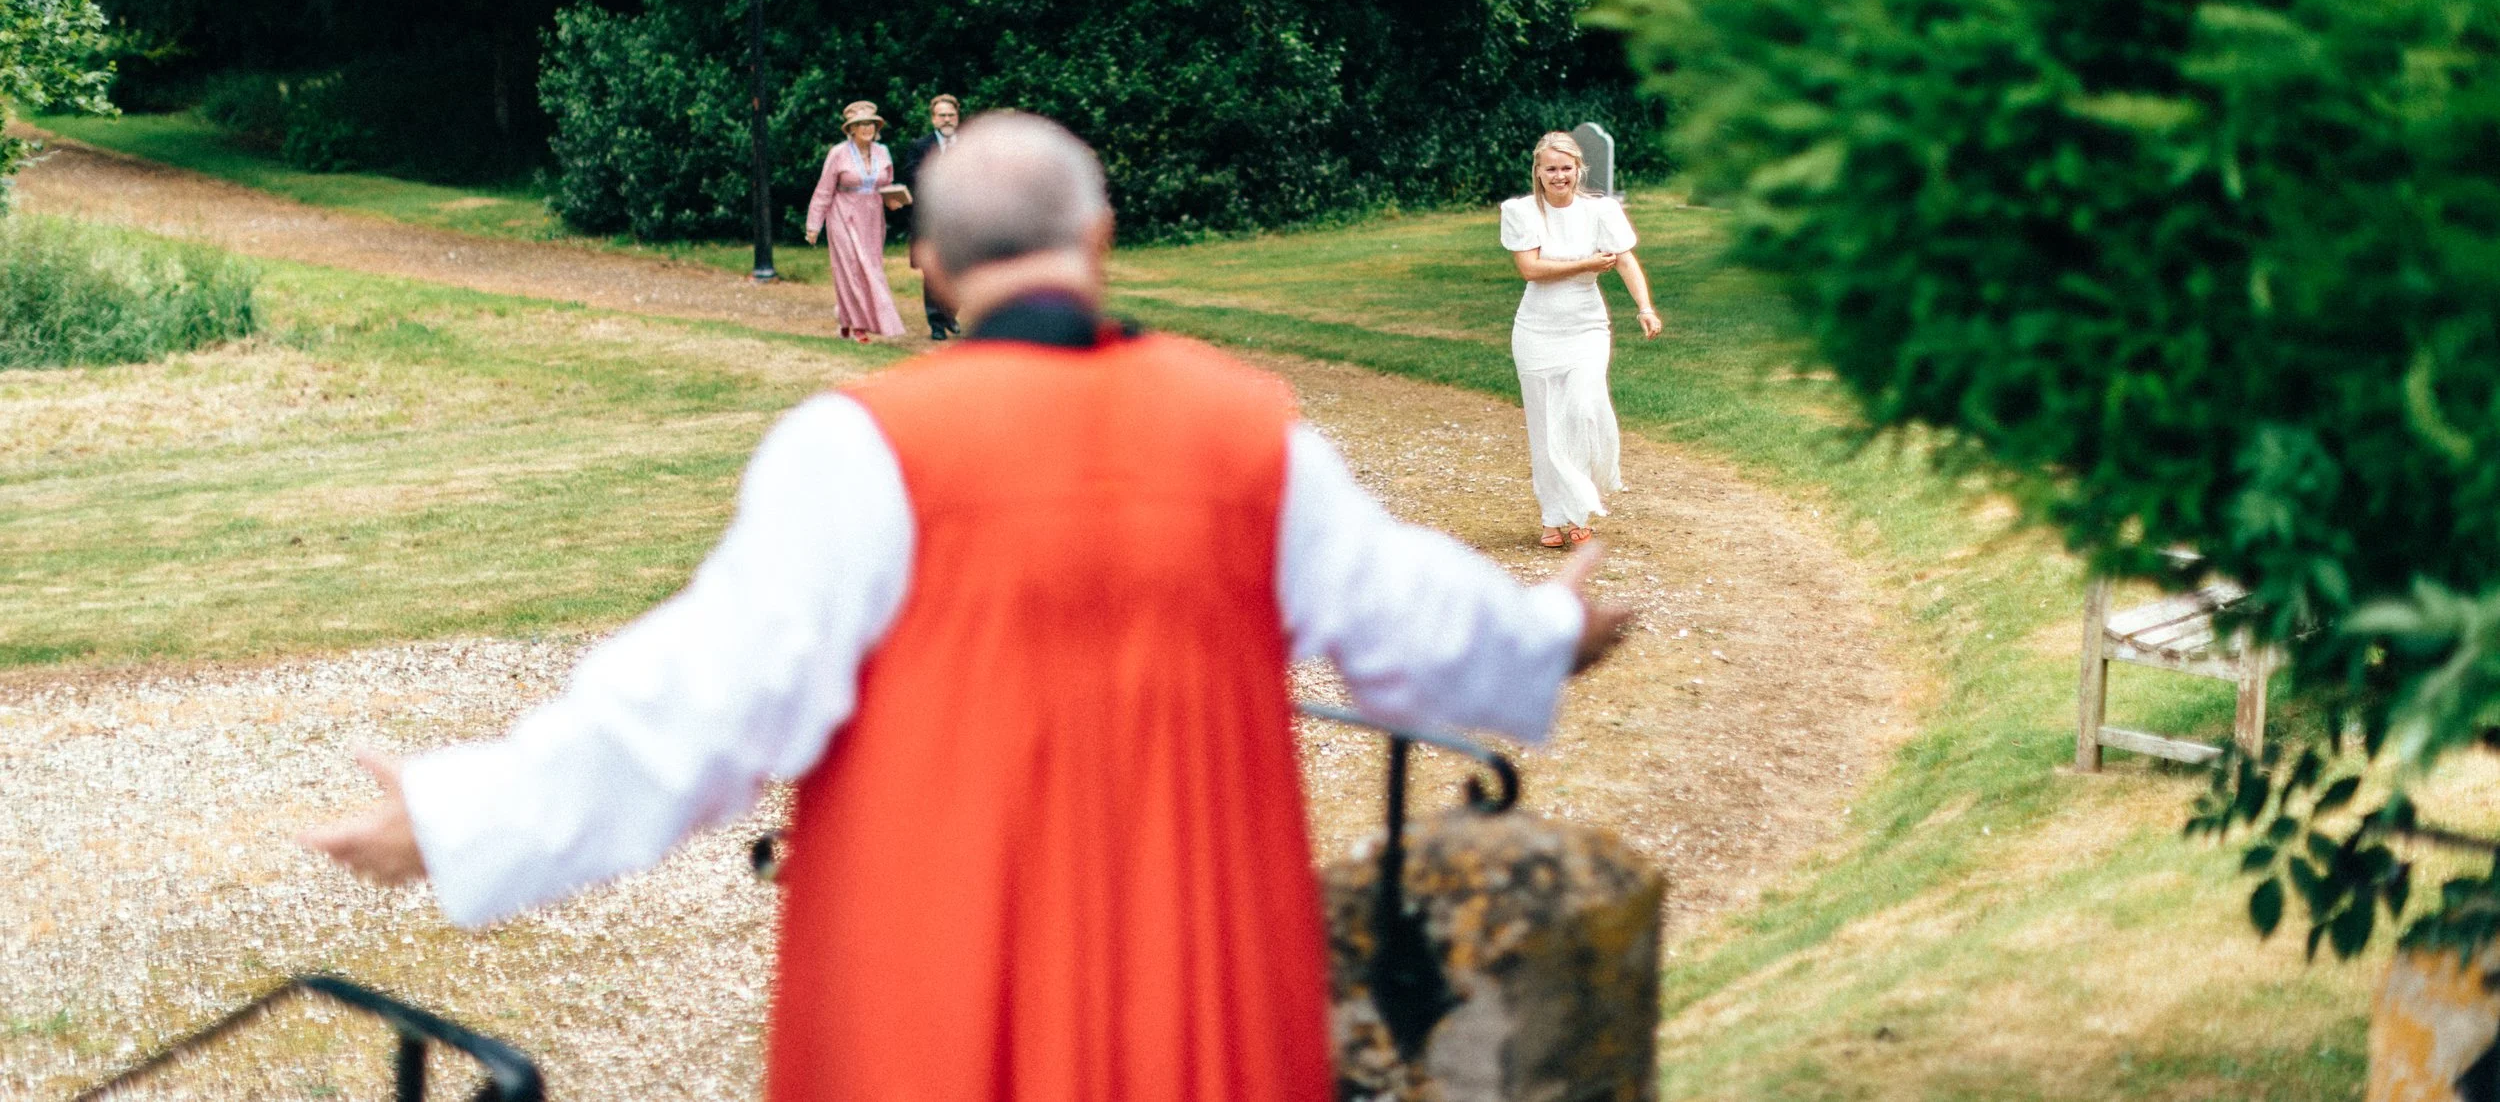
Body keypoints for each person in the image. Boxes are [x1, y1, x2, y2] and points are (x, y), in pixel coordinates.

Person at [301, 111, 1634, 1102]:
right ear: (1100, 238)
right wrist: (1545, 633)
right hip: (1197, 997)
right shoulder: (1252, 437)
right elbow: (1417, 623)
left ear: (931, 260)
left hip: (934, 997)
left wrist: (454, 814)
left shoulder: (859, 449)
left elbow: (698, 701)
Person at [1501, 130, 1662, 549]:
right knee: (1545, 423)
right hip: (1536, 328)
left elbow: (1624, 260)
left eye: (1566, 168)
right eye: (1550, 169)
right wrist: (1587, 262)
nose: (1559, 176)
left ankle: (1579, 511)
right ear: (1537, 172)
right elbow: (1531, 270)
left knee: (1582, 409)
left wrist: (1645, 307)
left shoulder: (1601, 211)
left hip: (1587, 326)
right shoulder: (1521, 212)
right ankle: (1553, 518)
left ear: (1578, 169)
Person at [803, 100, 907, 342]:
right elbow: (824, 190)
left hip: (872, 217)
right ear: (850, 129)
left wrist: (895, 200)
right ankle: (858, 326)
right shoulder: (838, 153)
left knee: (870, 268)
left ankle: (846, 319)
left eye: (870, 123)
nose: (867, 128)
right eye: (860, 124)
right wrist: (813, 225)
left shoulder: (883, 151)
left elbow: (886, 185)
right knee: (850, 269)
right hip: (843, 214)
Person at [896, 93, 962, 339]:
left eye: (951, 115)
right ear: (934, 119)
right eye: (942, 115)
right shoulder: (920, 146)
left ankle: (950, 313)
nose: (947, 120)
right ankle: (936, 323)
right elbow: (911, 174)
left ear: (957, 117)